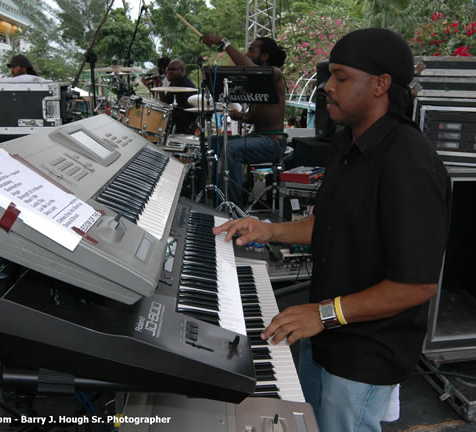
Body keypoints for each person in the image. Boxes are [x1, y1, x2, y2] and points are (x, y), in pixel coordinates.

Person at [213, 28, 451, 432]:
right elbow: (330, 226)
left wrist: (323, 314)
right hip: (325, 334)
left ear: (380, 85)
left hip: (364, 353)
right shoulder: (346, 144)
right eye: (329, 76)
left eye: (341, 77)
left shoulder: (410, 165)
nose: (326, 87)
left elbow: (417, 285)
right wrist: (269, 231)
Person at [200, 34, 286, 209]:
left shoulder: (274, 73)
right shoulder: (260, 81)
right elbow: (262, 114)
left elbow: (249, 67)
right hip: (258, 136)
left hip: (273, 142)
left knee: (231, 149)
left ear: (265, 56)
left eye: (251, 50)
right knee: (210, 142)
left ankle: (233, 207)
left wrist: (224, 42)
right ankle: (212, 197)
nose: (247, 53)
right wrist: (243, 116)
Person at [158, 59, 198, 134]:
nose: (169, 72)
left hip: (184, 129)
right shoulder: (174, 83)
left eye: (172, 69)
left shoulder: (187, 86)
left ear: (182, 70)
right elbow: (166, 103)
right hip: (174, 126)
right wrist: (160, 88)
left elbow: (190, 115)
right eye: (168, 69)